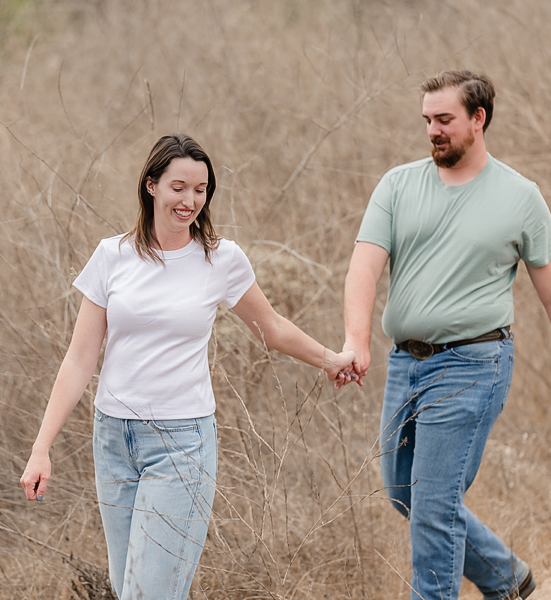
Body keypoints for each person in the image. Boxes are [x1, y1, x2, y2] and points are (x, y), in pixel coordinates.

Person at [20, 133, 356, 600]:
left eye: (201, 189)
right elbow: (79, 360)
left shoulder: (220, 259)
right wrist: (42, 448)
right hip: (113, 439)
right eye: (180, 187)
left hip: (180, 445)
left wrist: (330, 360)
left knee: (148, 594)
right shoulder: (111, 256)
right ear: (151, 185)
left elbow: (272, 327)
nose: (191, 200)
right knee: (127, 588)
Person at [341, 71, 551, 600]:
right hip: (404, 364)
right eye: (428, 121)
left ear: (478, 119)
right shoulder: (397, 185)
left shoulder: (519, 196)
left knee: (434, 507)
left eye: (445, 120)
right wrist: (357, 340)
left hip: (473, 365)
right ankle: (507, 578)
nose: (433, 131)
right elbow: (363, 269)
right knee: (404, 494)